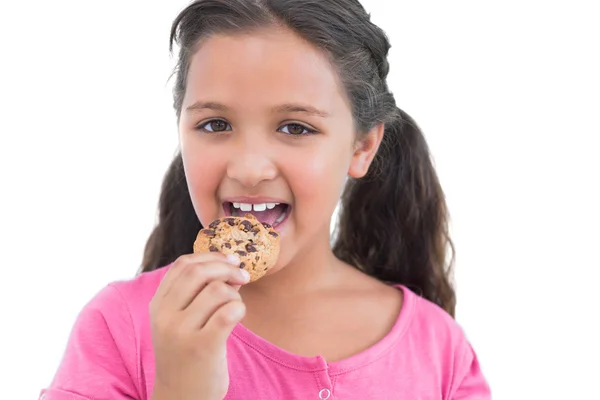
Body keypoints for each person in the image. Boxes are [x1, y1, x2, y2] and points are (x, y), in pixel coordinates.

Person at [40, 0, 491, 399]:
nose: (249, 168)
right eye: (215, 124)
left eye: (296, 127)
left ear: (361, 147)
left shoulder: (440, 351)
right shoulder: (119, 327)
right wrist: (180, 389)